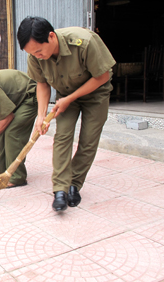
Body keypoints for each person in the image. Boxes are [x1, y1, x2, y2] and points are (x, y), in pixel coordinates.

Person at [17, 16, 116, 211]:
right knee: (62, 137)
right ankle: (60, 189)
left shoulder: (85, 42)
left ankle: (74, 184)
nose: (36, 56)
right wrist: (41, 115)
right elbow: (42, 84)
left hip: (96, 94)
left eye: (38, 51)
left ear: (51, 36)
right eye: (31, 53)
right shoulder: (35, 56)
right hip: (65, 95)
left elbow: (103, 75)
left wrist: (70, 98)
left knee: (88, 140)